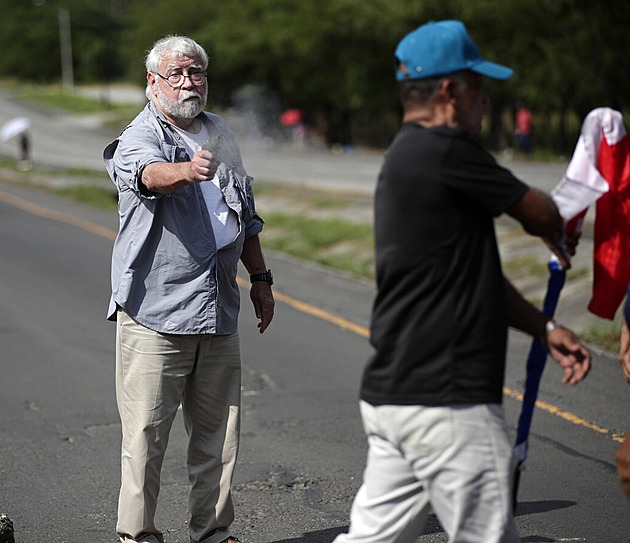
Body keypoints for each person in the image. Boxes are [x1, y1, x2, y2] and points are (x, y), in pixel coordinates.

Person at [333, 20, 591, 543]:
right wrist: (577, 201)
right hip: (448, 405)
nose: (485, 103)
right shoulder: (447, 150)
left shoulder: (406, 157)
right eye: (481, 89)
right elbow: (543, 213)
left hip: (397, 398)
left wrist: (543, 327)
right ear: (451, 91)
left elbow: (474, 278)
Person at [103, 35, 275, 543]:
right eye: (174, 74)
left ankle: (213, 534)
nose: (186, 82)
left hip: (217, 307)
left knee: (219, 438)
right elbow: (144, 174)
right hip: (156, 312)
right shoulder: (141, 133)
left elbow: (243, 212)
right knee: (145, 437)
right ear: (152, 83)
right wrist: (186, 170)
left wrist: (261, 279)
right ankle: (138, 536)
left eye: (195, 73)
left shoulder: (219, 129)